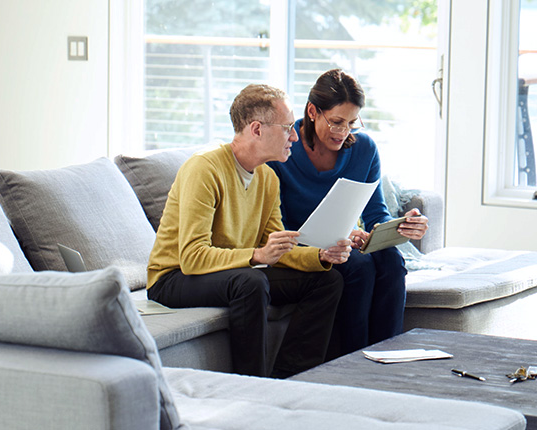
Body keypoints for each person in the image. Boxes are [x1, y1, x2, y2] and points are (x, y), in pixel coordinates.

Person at [147, 83, 351, 378]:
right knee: (251, 281)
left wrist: (321, 255)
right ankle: (252, 383)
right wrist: (257, 255)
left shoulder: (268, 179)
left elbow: (278, 249)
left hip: (230, 272)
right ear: (257, 129)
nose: (295, 136)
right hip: (173, 277)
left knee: (327, 281)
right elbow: (191, 257)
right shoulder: (204, 169)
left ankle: (293, 376)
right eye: (286, 128)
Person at [267, 69, 429, 359]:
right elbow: (276, 222)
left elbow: (375, 212)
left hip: (344, 243)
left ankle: (387, 357)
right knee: (358, 267)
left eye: (352, 123)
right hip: (302, 248)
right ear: (313, 111)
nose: (343, 132)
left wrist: (398, 227)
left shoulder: (364, 148)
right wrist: (336, 236)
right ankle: (354, 361)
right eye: (337, 122)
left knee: (391, 259)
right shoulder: (284, 149)